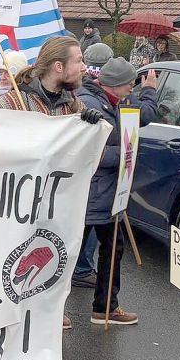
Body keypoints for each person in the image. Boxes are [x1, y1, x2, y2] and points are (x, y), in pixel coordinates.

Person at [0, 35, 103, 360]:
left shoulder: (74, 107)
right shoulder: (11, 101)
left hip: (56, 219)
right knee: (13, 291)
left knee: (52, 296)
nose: (83, 67)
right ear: (59, 67)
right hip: (15, 214)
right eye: (78, 61)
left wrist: (89, 128)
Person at [77, 57, 159, 326]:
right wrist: (126, 153)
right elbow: (90, 152)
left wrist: (150, 92)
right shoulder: (90, 104)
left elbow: (143, 116)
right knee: (68, 253)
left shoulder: (113, 101)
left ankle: (105, 307)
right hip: (89, 192)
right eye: (129, 86)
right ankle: (52, 312)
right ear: (115, 85)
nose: (131, 91)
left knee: (113, 248)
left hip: (106, 193)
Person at [71, 42, 115, 288]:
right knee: (86, 224)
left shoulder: (79, 97)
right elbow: (93, 151)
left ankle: (82, 268)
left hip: (90, 182)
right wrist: (123, 155)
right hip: (90, 182)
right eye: (78, 62)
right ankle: (82, 268)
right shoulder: (88, 97)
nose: (83, 67)